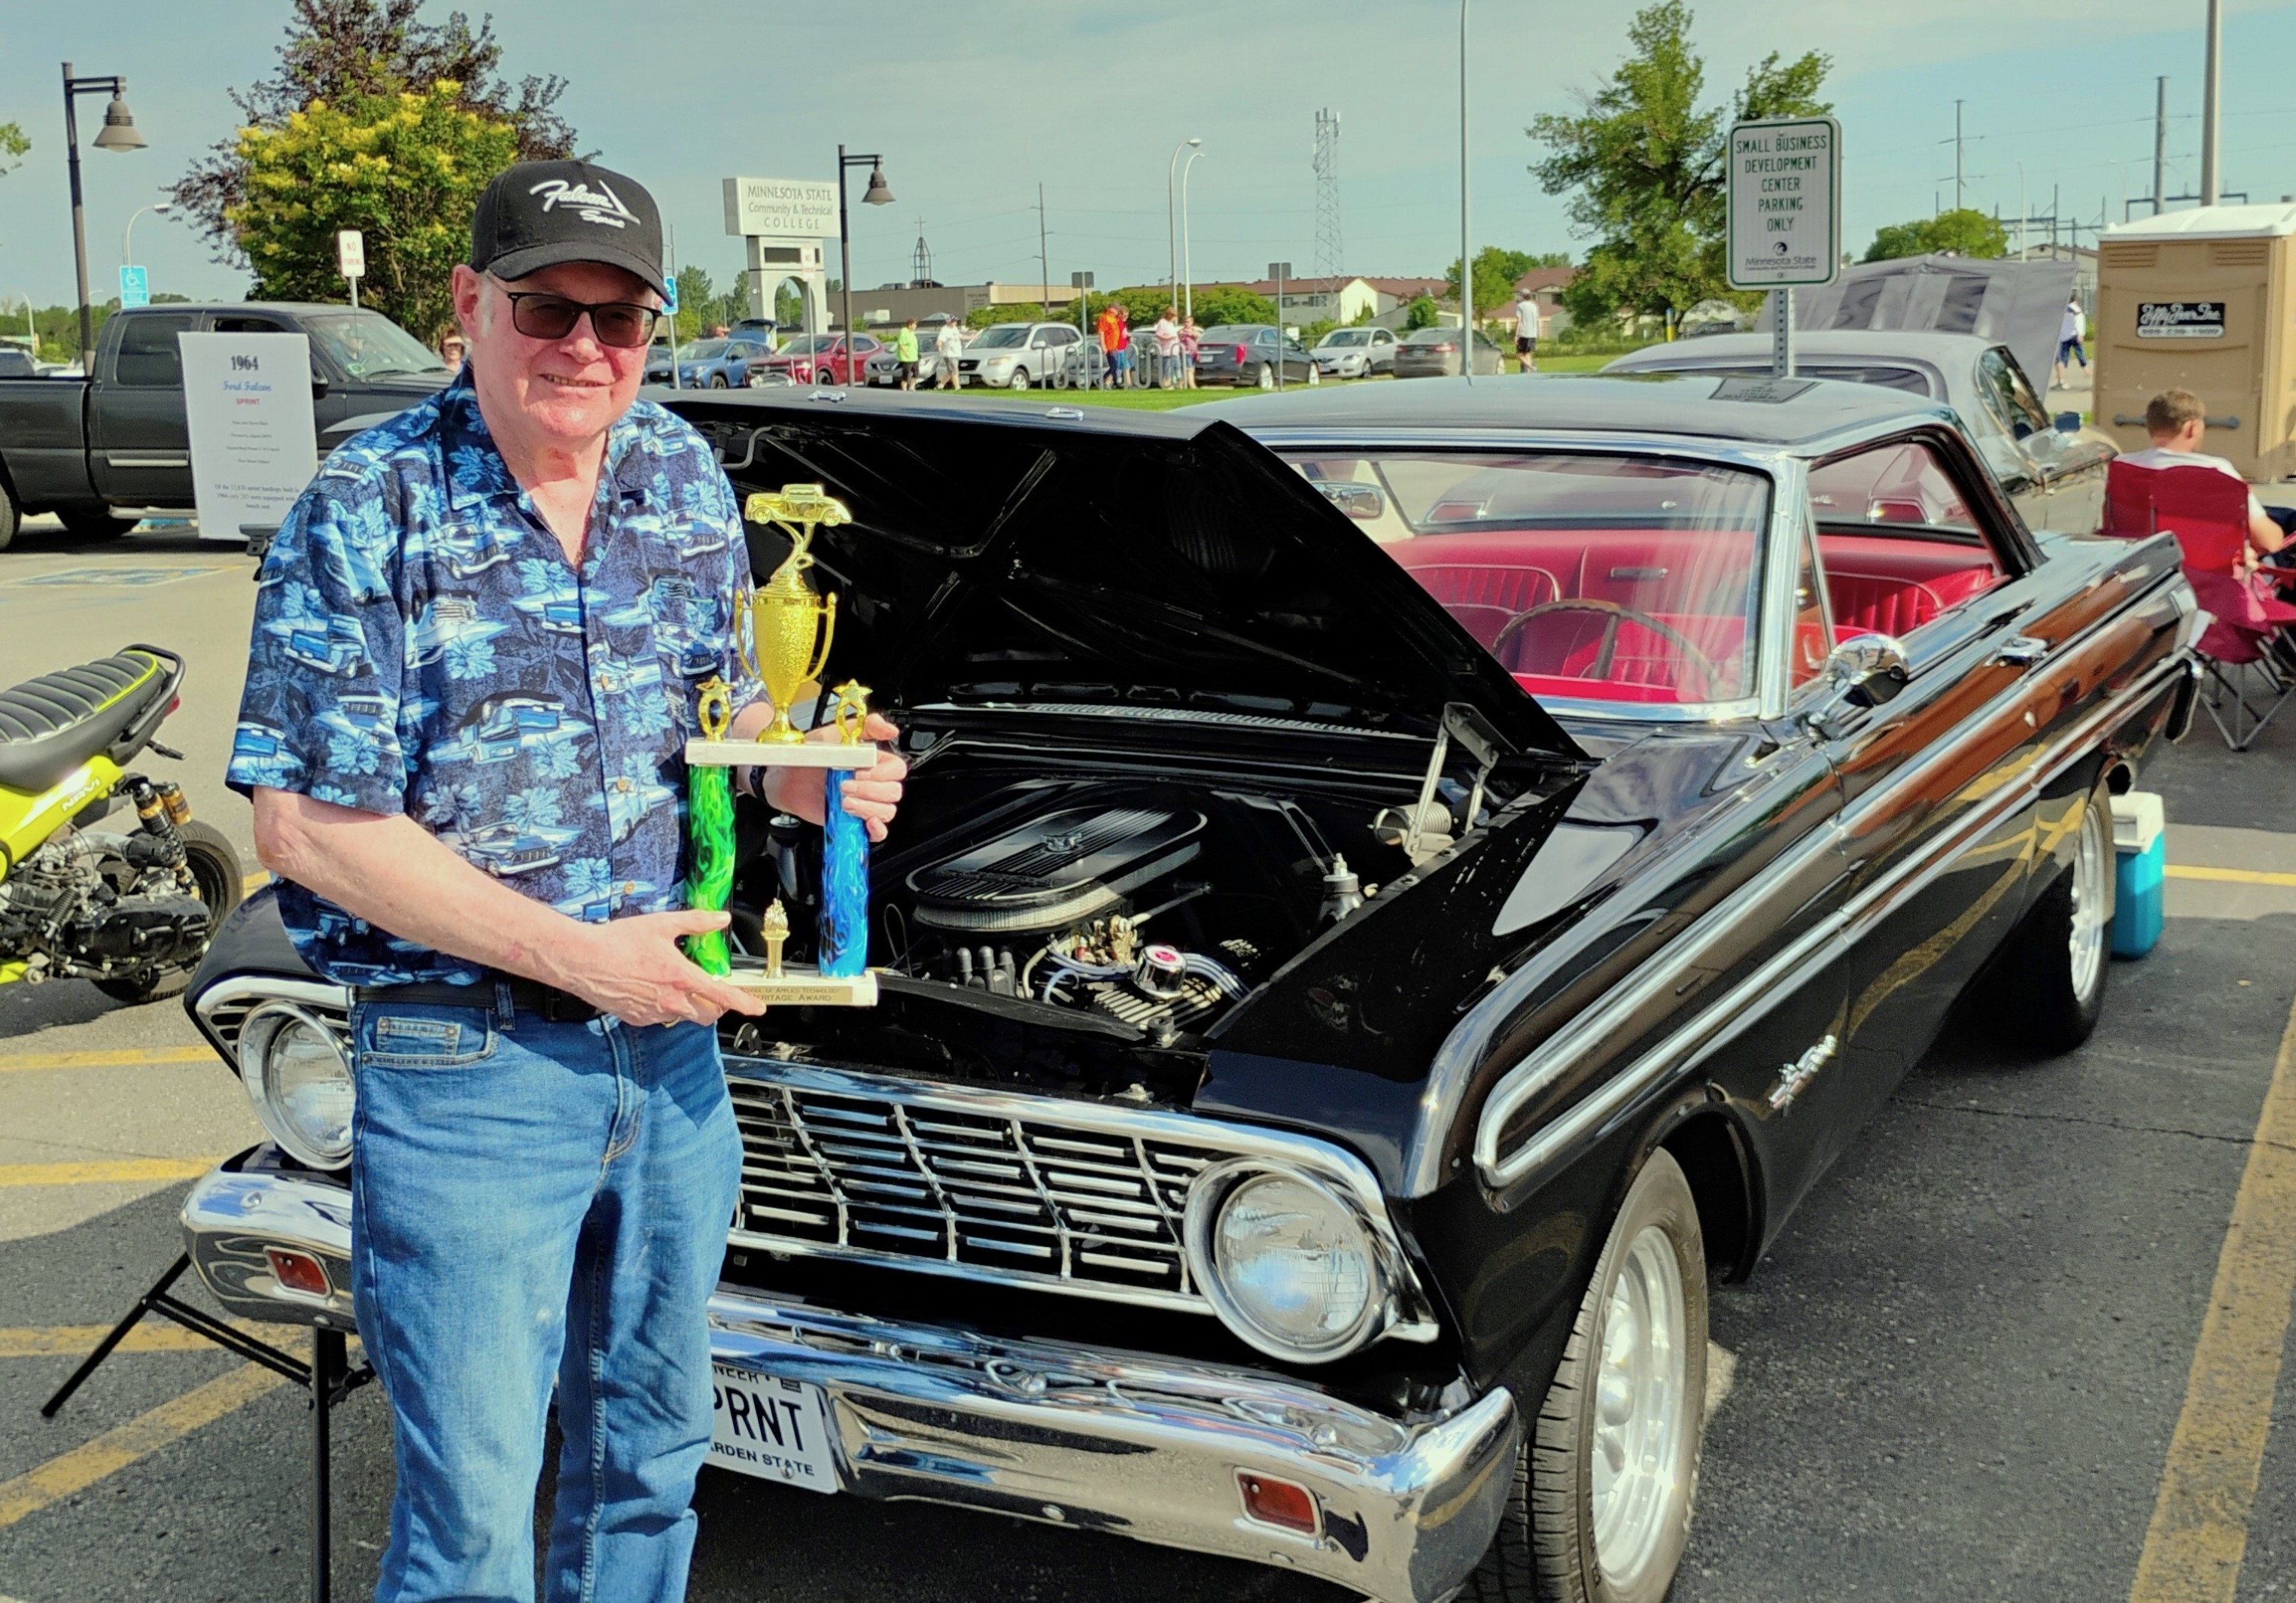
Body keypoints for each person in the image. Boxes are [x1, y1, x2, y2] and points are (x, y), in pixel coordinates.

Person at [229, 160, 908, 1603]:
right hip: (465, 1065)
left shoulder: (684, 478)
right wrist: (579, 958)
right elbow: (306, 827)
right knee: (473, 1520)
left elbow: (724, 741)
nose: (585, 350)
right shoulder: (369, 504)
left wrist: (816, 777)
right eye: (548, 309)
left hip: (672, 1066)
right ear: (469, 304)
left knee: (650, 1468)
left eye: (623, 320)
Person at [2118, 388, 2287, 561]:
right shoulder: (2217, 472)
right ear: (2192, 427)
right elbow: (2269, 542)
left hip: (2147, 566)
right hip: (2211, 574)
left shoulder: (2121, 466)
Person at [2055, 298, 2088, 385]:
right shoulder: (2076, 309)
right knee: (2079, 352)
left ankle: (2062, 375)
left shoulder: (2065, 309)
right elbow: (2079, 321)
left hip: (2065, 337)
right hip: (2074, 335)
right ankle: (2086, 370)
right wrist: (2081, 334)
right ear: (2076, 301)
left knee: (2063, 355)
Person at [1513, 291, 1541, 373]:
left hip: (1524, 333)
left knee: (1519, 355)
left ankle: (1532, 368)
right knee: (1527, 354)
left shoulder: (1520, 306)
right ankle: (1529, 373)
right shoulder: (1534, 306)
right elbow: (1536, 319)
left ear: (1523, 297)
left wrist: (1516, 335)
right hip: (1533, 333)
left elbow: (1519, 321)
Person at [1153, 306, 1181, 388]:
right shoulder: (1162, 322)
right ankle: (1166, 384)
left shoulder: (1171, 324)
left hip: (1175, 351)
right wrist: (1169, 338)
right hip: (1167, 351)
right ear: (1169, 315)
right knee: (1167, 370)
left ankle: (1178, 384)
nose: (1175, 318)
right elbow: (1159, 335)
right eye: (1173, 316)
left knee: (1177, 368)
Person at [935, 317, 964, 389]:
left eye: (955, 321)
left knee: (950, 372)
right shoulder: (944, 330)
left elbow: (961, 336)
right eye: (953, 321)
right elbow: (940, 340)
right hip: (949, 354)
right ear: (949, 322)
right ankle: (957, 387)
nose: (955, 322)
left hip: (956, 353)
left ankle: (940, 386)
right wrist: (939, 346)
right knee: (955, 371)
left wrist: (971, 337)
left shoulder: (955, 329)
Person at [895, 317, 920, 391]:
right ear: (910, 325)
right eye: (914, 325)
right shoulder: (904, 332)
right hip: (907, 358)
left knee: (916, 373)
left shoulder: (912, 333)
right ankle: (904, 387)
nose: (916, 326)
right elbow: (901, 344)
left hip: (914, 356)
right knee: (906, 373)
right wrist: (906, 353)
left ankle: (912, 387)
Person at [1179, 314, 1201, 390]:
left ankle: (1180, 383)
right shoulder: (1182, 331)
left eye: (1188, 322)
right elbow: (1179, 337)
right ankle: (1192, 385)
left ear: (1192, 323)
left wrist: (1192, 333)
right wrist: (1183, 334)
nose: (1186, 323)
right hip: (1186, 352)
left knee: (1190, 369)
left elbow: (1198, 336)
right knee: (1189, 369)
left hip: (1194, 352)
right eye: (1185, 322)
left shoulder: (1194, 330)